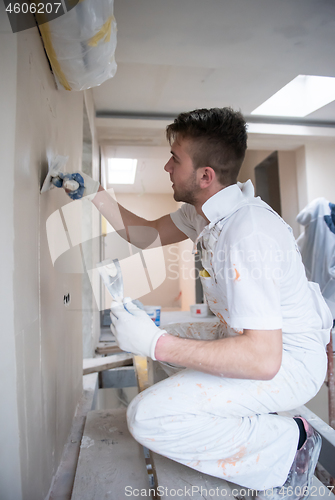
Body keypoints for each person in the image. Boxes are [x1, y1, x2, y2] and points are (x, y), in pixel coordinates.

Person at [61, 108, 332, 498]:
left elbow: (263, 358)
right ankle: (247, 414)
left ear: (205, 176)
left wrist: (153, 343)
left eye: (176, 158)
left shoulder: (246, 233)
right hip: (251, 339)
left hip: (288, 360)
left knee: (146, 416)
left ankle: (289, 448)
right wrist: (94, 193)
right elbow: (147, 234)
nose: (167, 166)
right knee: (171, 343)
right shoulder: (202, 213)